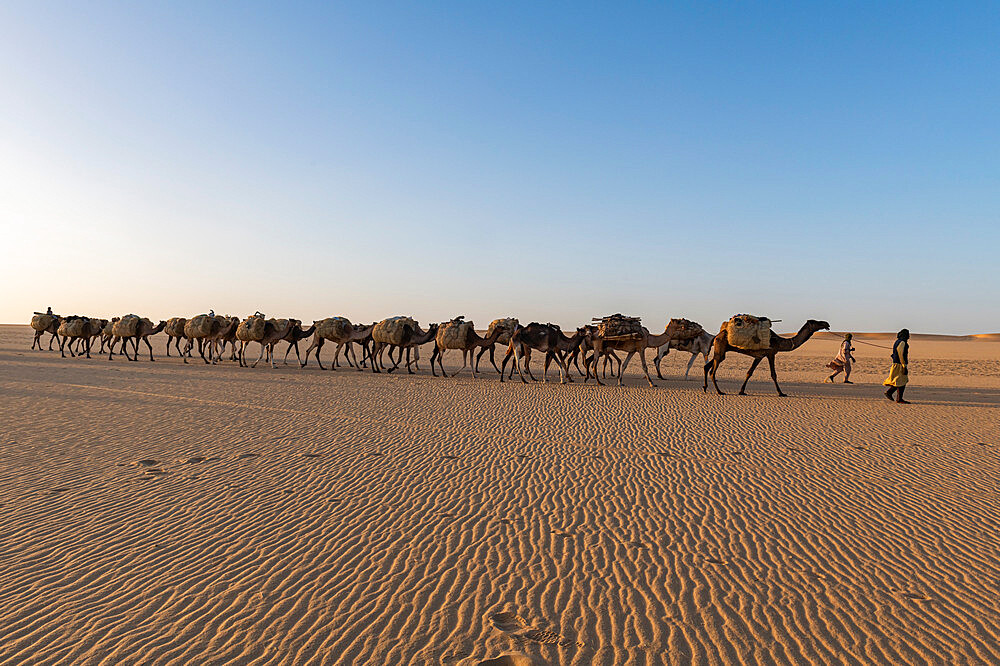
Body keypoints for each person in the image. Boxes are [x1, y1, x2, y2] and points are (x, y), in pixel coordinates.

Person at [883, 329, 911, 404]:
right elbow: (900, 353)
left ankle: (895, 396)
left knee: (900, 381)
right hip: (899, 364)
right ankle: (894, 395)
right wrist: (903, 366)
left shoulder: (897, 341)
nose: (909, 336)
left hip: (897, 363)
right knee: (901, 381)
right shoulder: (902, 342)